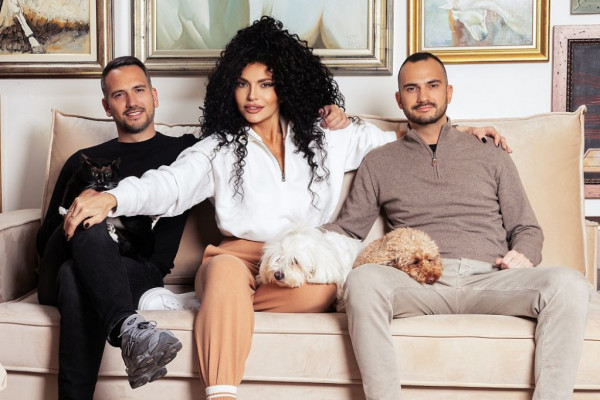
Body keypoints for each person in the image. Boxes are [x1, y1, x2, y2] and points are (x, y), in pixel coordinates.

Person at [62, 18, 506, 400]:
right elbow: (170, 183)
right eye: (242, 84)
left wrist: (459, 133)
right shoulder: (219, 147)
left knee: (320, 294)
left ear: (285, 87)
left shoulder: (328, 136)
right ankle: (221, 389)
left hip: (299, 263)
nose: (251, 96)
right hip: (236, 257)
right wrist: (113, 197)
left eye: (265, 84)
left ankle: (210, 306)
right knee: (224, 276)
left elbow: (398, 145)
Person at [321, 52, 592, 400]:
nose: (423, 96)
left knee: (569, 284)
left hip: (490, 278)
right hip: (419, 283)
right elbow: (348, 230)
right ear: (399, 99)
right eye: (412, 88)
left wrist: (524, 253)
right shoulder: (379, 161)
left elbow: (527, 227)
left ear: (448, 92)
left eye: (432, 86)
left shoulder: (489, 151)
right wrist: (291, 243)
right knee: (362, 281)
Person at [36, 56, 196, 399]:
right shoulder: (82, 161)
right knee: (90, 214)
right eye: (119, 95)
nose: (131, 101)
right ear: (107, 106)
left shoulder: (185, 152)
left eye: (139, 90)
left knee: (73, 275)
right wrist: (87, 208)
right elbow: (45, 240)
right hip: (59, 261)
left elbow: (243, 133)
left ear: (154, 95)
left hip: (141, 271)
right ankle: (127, 326)